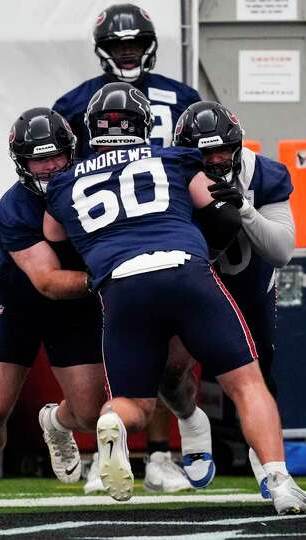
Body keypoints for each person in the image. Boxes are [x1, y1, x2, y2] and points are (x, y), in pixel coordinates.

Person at [43, 82, 306, 514]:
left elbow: (55, 234)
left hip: (121, 287)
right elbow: (221, 215)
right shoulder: (174, 159)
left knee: (134, 403)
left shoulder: (64, 183)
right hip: (184, 272)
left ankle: (113, 422)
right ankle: (280, 482)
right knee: (247, 384)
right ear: (146, 125)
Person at [53, 3, 204, 492]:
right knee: (111, 346)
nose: (128, 53)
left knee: (167, 353)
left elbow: (200, 162)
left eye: (135, 44)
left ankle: (160, 454)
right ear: (103, 50)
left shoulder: (181, 98)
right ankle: (103, 452)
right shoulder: (75, 104)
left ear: (150, 46)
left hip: (167, 231)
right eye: (119, 46)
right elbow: (59, 174)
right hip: (105, 240)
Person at [0, 108, 106, 507]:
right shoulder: (14, 208)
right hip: (15, 299)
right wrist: (109, 278)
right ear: (22, 162)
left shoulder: (96, 185)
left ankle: (55, 421)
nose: (51, 166)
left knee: (90, 413)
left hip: (74, 305)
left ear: (72, 152)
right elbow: (47, 281)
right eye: (40, 159)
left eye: (57, 155)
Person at [173, 101, 296, 497]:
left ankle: (268, 461)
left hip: (248, 285)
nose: (215, 160)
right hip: (194, 284)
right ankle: (191, 422)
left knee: (259, 371)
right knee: (170, 370)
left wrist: (244, 210)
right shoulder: (171, 176)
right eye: (204, 154)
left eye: (222, 150)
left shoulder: (265, 174)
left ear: (238, 146)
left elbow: (282, 250)